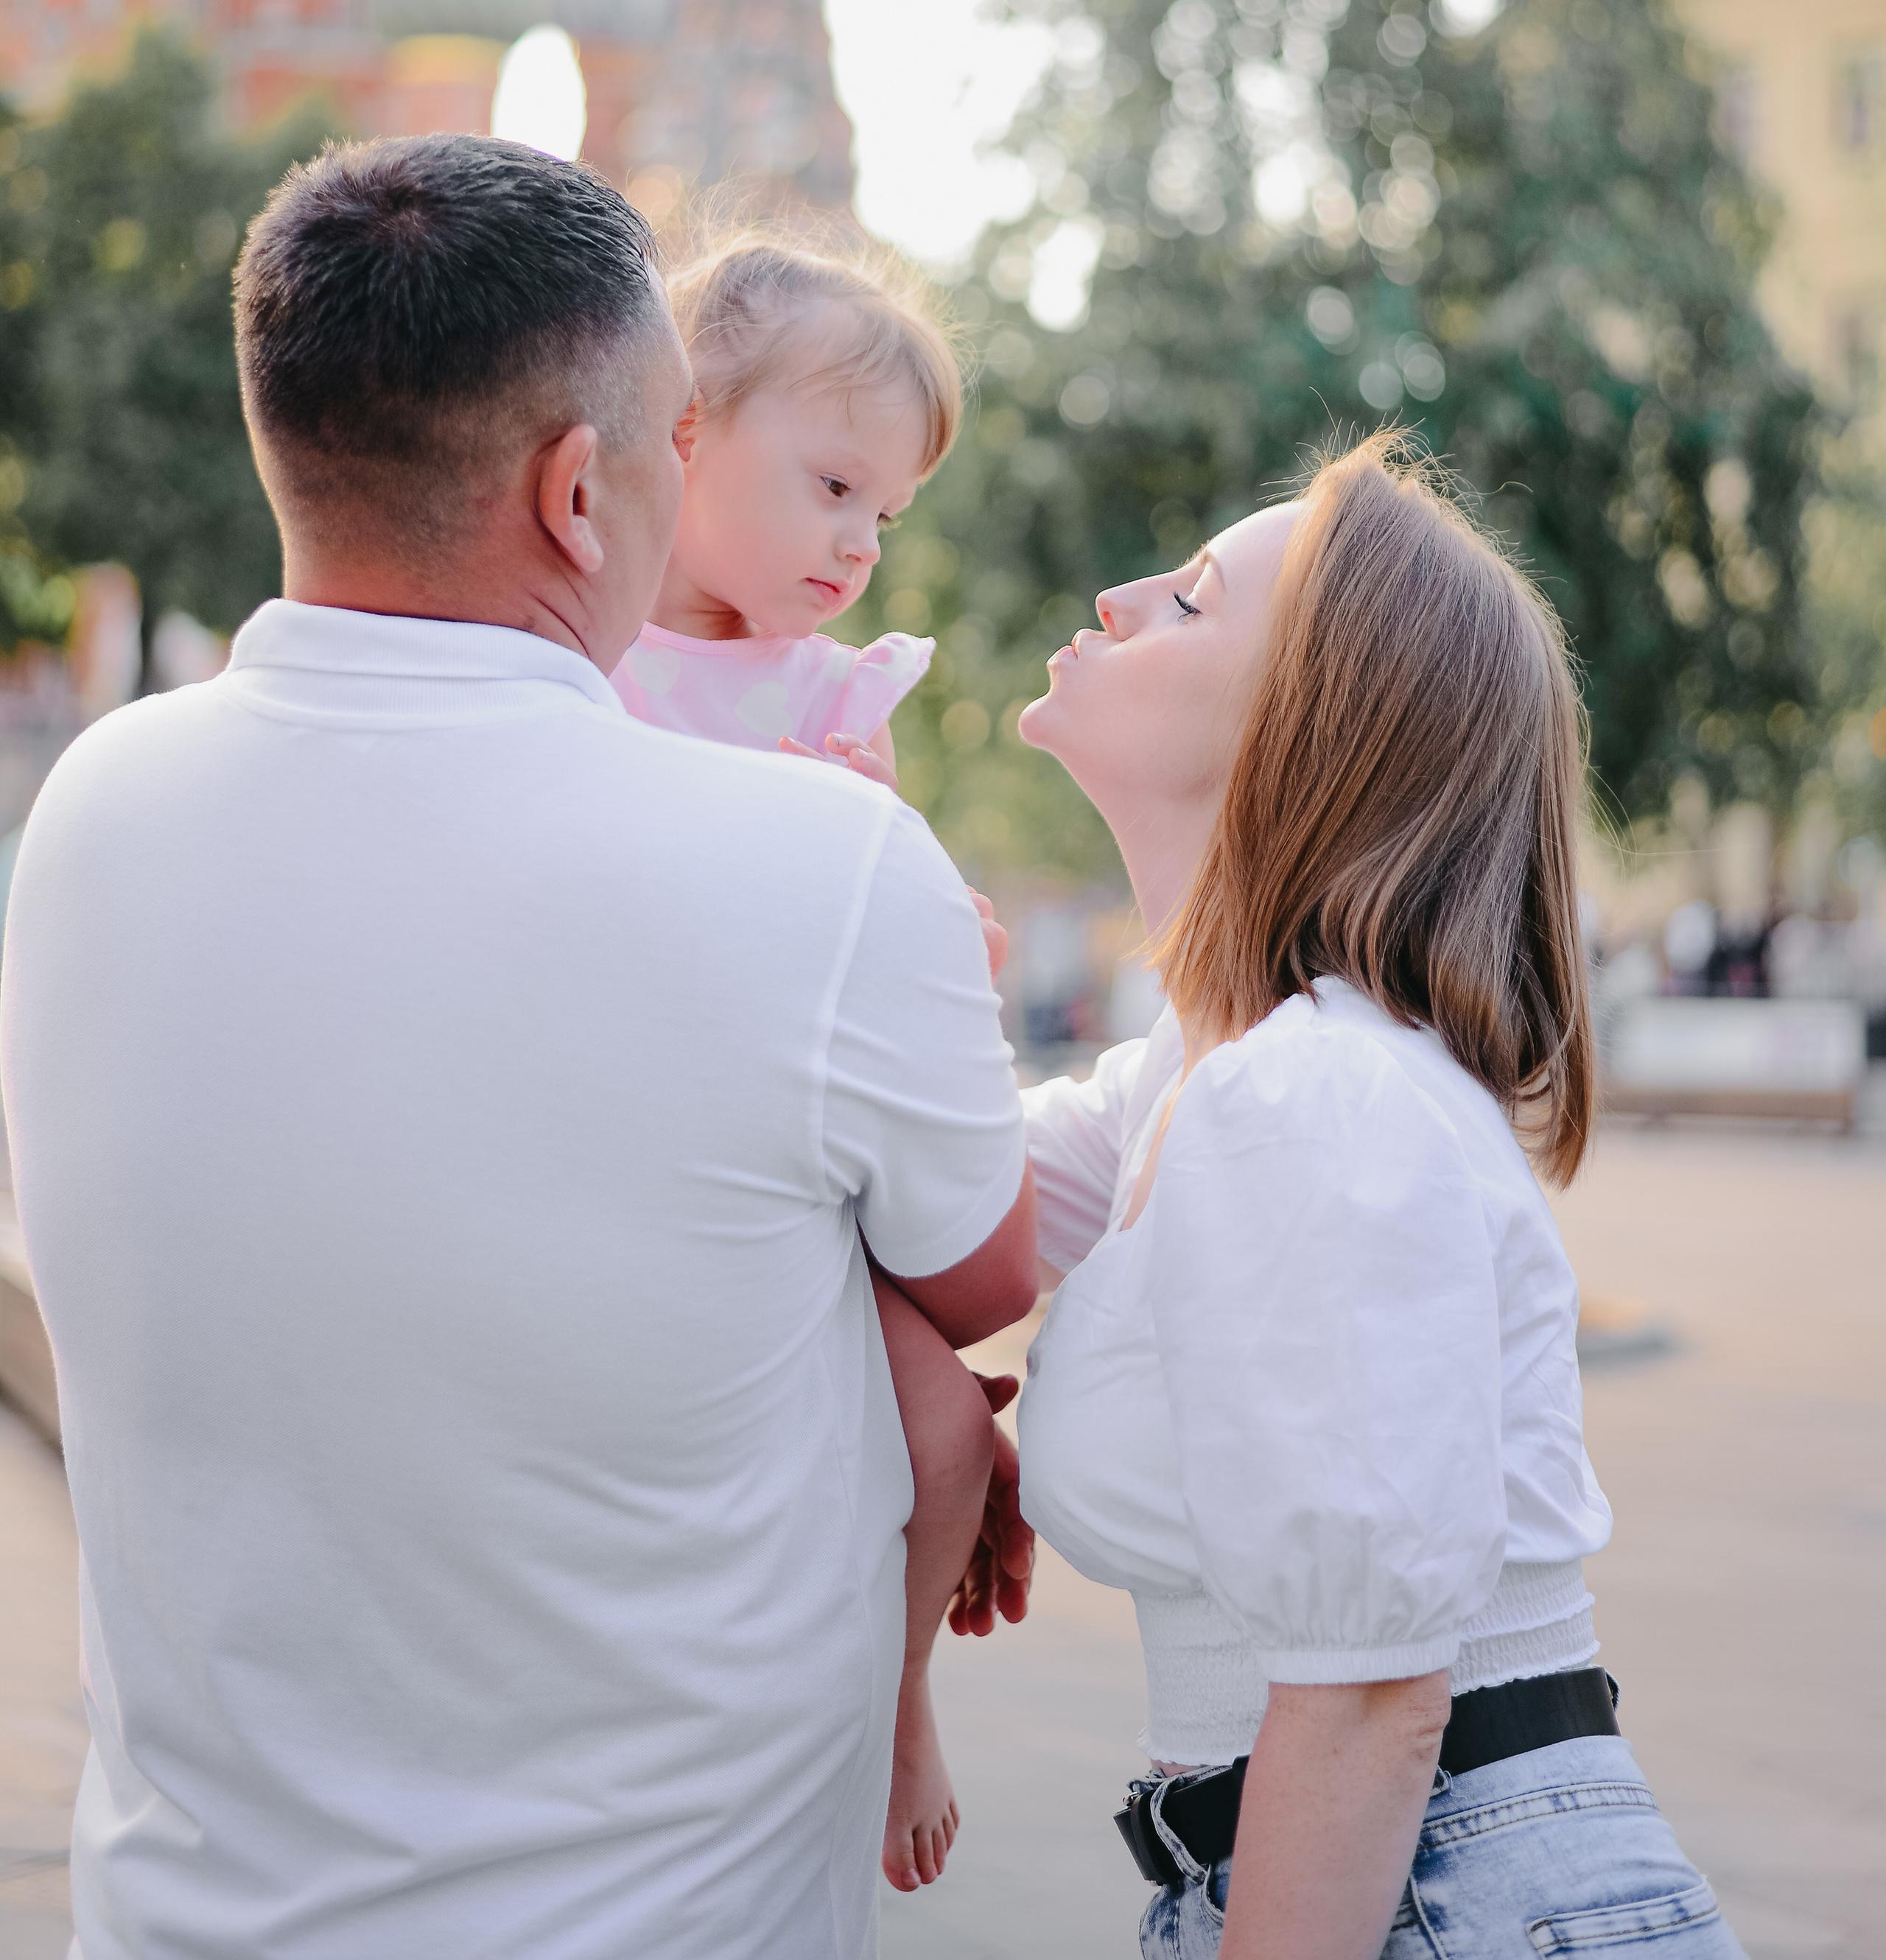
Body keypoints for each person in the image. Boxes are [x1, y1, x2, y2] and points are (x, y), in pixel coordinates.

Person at [0, 137, 1037, 1960]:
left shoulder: (91, 815)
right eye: (665, 448)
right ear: (581, 493)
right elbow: (982, 1271)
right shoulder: (817, 859)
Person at [1014, 437, 1746, 1959]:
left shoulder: (1314, 1096)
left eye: (1192, 600)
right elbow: (910, 1181)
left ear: (1304, 727)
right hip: (1411, 1879)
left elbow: (1364, 1697)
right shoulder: (1187, 1079)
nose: (1117, 594)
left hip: (1441, 1885)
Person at [611, 224, 1014, 1895]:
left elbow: (880, 900)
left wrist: (949, 932)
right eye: (833, 485)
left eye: (885, 516)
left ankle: (901, 1692)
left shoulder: (830, 697)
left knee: (938, 1421)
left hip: (811, 1144)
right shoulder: (592, 662)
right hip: (655, 1132)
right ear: (681, 432)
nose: (857, 544)